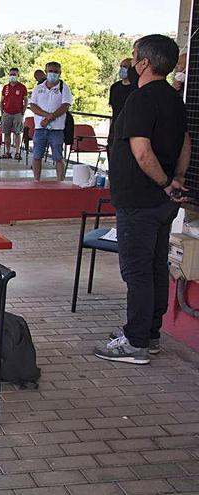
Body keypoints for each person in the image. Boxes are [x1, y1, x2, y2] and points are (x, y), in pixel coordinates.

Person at [95, 34, 189, 365]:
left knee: (137, 271)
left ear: (145, 62)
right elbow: (185, 142)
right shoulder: (174, 99)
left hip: (141, 201)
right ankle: (149, 334)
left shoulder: (141, 98)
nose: (132, 63)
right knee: (153, 267)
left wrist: (165, 182)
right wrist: (176, 179)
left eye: (134, 57)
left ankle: (135, 343)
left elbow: (141, 148)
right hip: (162, 202)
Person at [29, 61, 73, 181]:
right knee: (37, 156)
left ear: (60, 73)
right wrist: (47, 116)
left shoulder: (64, 88)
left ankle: (60, 181)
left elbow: (65, 106)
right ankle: (36, 180)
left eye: (56, 71)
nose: (53, 74)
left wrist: (50, 118)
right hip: (40, 128)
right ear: (46, 72)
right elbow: (33, 106)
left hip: (57, 129)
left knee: (58, 157)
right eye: (50, 71)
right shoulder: (38, 88)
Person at [108, 58, 137, 164]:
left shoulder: (137, 87)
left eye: (125, 67)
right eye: (121, 66)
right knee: (113, 156)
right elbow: (113, 109)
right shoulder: (115, 87)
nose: (121, 69)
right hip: (115, 127)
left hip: (130, 128)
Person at [0, 67, 28, 160]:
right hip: (7, 113)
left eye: (14, 74)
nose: (12, 76)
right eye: (11, 74)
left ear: (18, 75)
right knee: (6, 133)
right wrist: (2, 112)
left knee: (17, 132)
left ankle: (17, 152)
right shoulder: (6, 87)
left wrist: (23, 112)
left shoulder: (22, 87)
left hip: (18, 113)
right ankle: (8, 152)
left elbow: (26, 100)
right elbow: (2, 100)